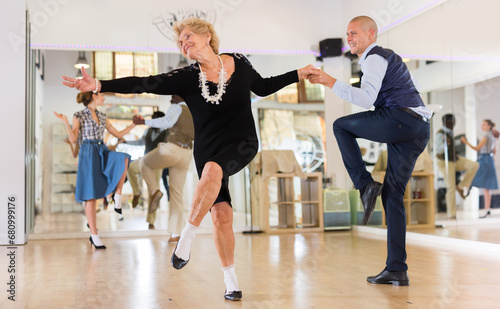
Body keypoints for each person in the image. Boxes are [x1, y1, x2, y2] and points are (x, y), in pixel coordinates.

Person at [63, 17, 315, 301]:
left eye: (187, 37)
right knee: (222, 214)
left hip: (241, 142)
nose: (183, 43)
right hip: (206, 146)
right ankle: (231, 282)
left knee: (212, 171)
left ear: (207, 35)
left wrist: (299, 73)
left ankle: (187, 235)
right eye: (180, 41)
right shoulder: (185, 77)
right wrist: (98, 83)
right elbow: (143, 83)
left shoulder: (240, 62)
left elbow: (264, 87)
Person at [308, 15, 432, 286]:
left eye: (354, 33)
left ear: (371, 34)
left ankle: (364, 186)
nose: (349, 38)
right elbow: (405, 92)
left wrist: (330, 81)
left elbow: (366, 99)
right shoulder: (387, 59)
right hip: (418, 128)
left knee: (341, 126)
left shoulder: (374, 57)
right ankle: (396, 268)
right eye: (347, 34)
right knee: (392, 196)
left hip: (402, 120)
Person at [54, 91, 136, 249]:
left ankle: (117, 195)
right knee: (90, 196)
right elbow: (73, 139)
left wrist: (134, 124)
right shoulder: (79, 115)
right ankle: (94, 234)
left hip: (102, 149)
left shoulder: (103, 116)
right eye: (101, 95)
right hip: (88, 152)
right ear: (93, 97)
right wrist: (65, 121)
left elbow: (118, 134)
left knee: (124, 157)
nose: (104, 98)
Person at [132, 94, 194, 237]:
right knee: (177, 195)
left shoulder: (176, 107)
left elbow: (167, 121)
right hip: (187, 154)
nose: (171, 100)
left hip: (172, 149)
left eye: (173, 96)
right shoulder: (194, 110)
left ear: (180, 96)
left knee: (143, 162)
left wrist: (143, 122)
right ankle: (175, 234)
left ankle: (154, 191)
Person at [124, 111, 168, 229]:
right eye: (151, 119)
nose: (152, 122)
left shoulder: (167, 133)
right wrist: (126, 142)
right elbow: (140, 142)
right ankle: (137, 192)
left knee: (153, 192)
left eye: (154, 119)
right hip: (144, 161)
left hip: (157, 164)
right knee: (131, 168)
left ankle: (151, 221)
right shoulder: (148, 131)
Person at [435, 114, 479, 219]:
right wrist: (445, 144)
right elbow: (440, 150)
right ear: (446, 123)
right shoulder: (440, 134)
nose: (453, 123)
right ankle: (452, 214)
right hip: (444, 162)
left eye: (454, 121)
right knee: (451, 187)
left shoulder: (449, 132)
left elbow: (452, 144)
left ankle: (460, 186)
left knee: (474, 165)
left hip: (454, 159)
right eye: (451, 122)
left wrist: (461, 141)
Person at [461, 119, 499, 218]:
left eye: (484, 125)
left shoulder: (487, 136)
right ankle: (487, 210)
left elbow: (477, 148)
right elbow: (494, 151)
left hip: (484, 159)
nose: (482, 126)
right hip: (490, 160)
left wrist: (466, 142)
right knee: (487, 188)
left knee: (471, 173)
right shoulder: (494, 136)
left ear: (489, 126)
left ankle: (468, 186)